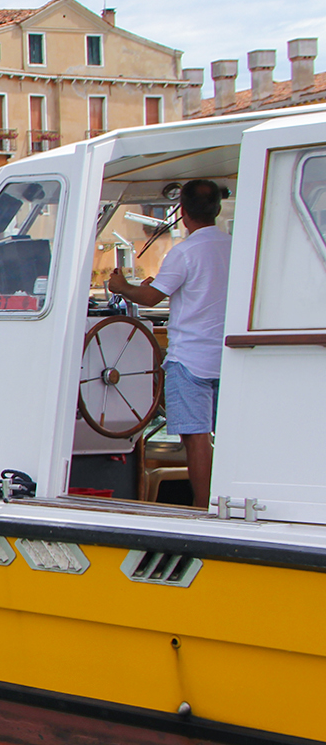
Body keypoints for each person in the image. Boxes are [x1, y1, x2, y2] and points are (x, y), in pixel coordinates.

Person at [107, 179, 232, 507]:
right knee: (231, 437)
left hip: (190, 358)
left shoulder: (185, 252)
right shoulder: (235, 246)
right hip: (230, 357)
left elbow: (150, 296)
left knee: (196, 437)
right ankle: (232, 503)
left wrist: (122, 287)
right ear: (217, 210)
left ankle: (203, 508)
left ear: (183, 213)